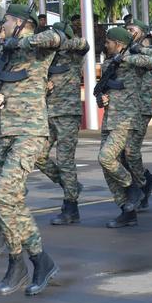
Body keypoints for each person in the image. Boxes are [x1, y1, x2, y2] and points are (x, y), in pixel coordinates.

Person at [0, 4, 62, 296]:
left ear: (19, 23)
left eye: (5, 21)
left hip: (30, 132)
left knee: (2, 194)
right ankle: (32, 261)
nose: (1, 26)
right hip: (4, 133)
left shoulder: (36, 47)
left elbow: (57, 38)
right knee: (9, 202)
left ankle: (24, 262)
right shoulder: (4, 55)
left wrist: (20, 40)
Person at [99, 26, 152, 228]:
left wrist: (125, 57)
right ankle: (126, 210)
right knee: (107, 167)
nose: (105, 44)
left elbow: (151, 61)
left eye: (109, 41)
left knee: (105, 157)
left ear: (119, 44)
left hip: (127, 119)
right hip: (109, 119)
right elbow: (102, 90)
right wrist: (102, 98)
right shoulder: (108, 64)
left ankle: (133, 186)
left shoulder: (135, 62)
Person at [38, 21, 90, 225]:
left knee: (64, 160)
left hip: (68, 113)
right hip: (47, 113)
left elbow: (84, 44)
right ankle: (72, 186)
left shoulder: (74, 56)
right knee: (38, 156)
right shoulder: (47, 59)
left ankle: (71, 206)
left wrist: (62, 41)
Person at [124, 20, 152, 211]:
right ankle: (145, 181)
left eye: (132, 30)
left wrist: (135, 49)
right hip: (124, 109)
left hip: (141, 108)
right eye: (127, 30)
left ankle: (140, 185)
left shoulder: (150, 51)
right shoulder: (124, 50)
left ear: (143, 33)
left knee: (131, 151)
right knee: (123, 153)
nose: (128, 32)